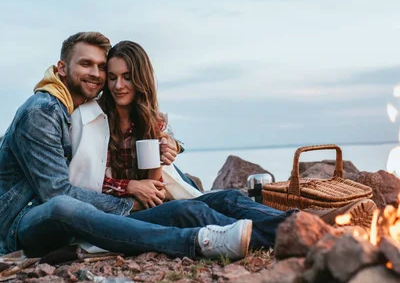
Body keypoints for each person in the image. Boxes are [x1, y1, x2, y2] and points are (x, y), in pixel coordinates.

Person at [70, 39, 377, 250]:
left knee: (227, 198)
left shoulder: (149, 121)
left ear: (141, 79)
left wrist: (167, 154)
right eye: (112, 78)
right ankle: (302, 232)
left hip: (152, 202)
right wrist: (129, 187)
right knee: (193, 212)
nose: (118, 85)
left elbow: (157, 185)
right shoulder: (95, 119)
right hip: (121, 215)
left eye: (126, 77)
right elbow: (84, 183)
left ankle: (302, 221)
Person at [0, 32, 252, 261]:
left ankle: (276, 230)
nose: (97, 74)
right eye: (86, 64)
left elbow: (148, 120)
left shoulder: (75, 108)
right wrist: (131, 200)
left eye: (101, 67)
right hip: (18, 221)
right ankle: (196, 241)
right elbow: (57, 192)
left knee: (195, 205)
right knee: (62, 206)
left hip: (71, 216)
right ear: (62, 68)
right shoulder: (42, 112)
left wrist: (173, 143)